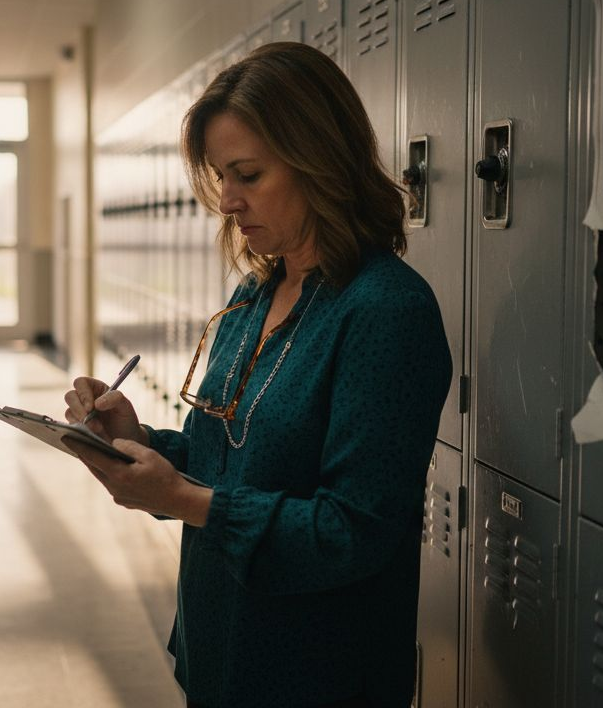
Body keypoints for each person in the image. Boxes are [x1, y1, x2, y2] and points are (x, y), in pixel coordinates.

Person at [63, 41, 452, 708]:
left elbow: (352, 532)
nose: (229, 203)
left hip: (316, 674)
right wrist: (143, 441)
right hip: (223, 649)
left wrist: (184, 501)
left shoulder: (385, 312)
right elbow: (222, 462)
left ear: (320, 163)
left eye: (248, 174)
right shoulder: (251, 299)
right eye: (221, 177)